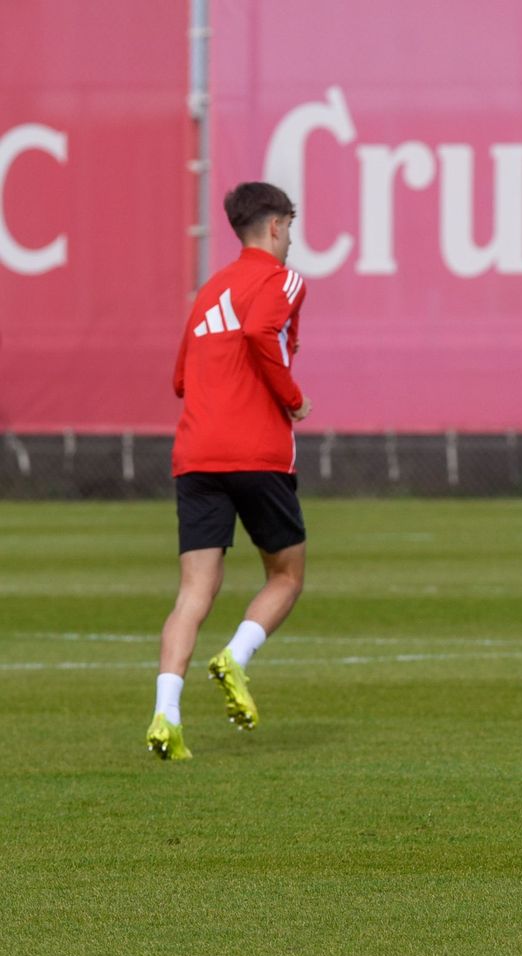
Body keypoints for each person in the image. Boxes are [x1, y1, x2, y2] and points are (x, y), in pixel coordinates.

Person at [145, 181, 313, 760]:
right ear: (274, 226)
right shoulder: (281, 280)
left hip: (196, 456)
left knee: (193, 593)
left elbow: (179, 381)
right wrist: (292, 397)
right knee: (287, 576)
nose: (290, 238)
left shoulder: (210, 289)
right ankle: (235, 657)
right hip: (258, 452)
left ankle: (166, 714)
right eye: (288, 227)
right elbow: (260, 332)